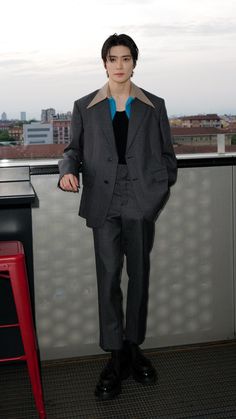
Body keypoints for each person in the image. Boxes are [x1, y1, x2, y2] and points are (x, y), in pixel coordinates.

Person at [58, 33, 177, 400]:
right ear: (104, 62)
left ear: (134, 63)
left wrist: (155, 192)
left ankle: (133, 348)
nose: (120, 65)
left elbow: (168, 158)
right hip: (103, 200)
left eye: (126, 58)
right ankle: (114, 356)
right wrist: (67, 169)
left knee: (139, 276)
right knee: (109, 278)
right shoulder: (85, 106)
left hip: (140, 199)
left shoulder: (153, 105)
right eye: (113, 59)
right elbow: (72, 149)